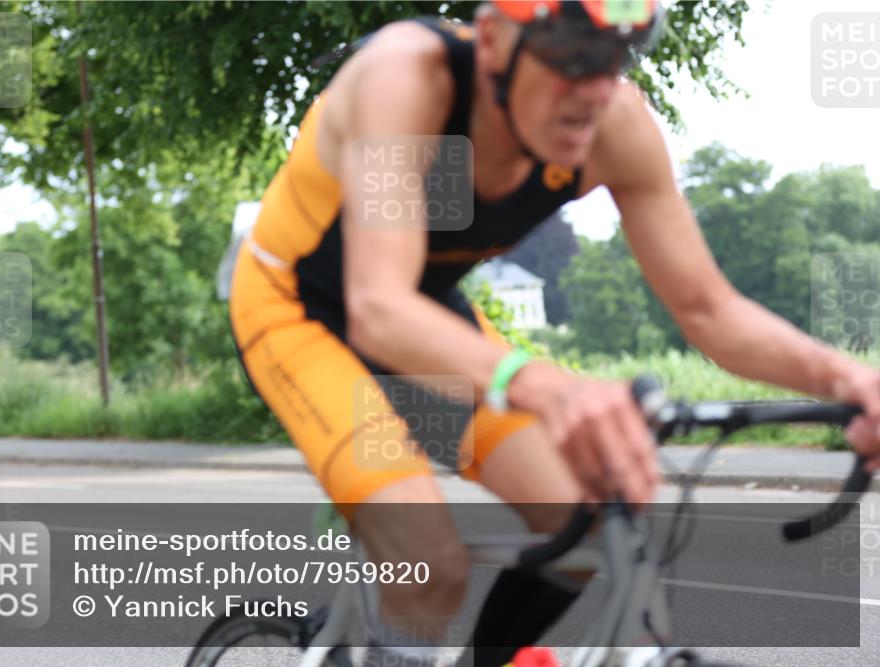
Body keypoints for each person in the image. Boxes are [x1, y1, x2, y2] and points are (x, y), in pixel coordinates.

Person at [228, 1, 880, 664]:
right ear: (491, 41)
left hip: (424, 315)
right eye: (572, 56)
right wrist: (551, 389)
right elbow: (379, 307)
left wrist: (850, 379)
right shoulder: (408, 79)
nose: (596, 89)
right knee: (427, 557)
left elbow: (707, 308)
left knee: (582, 515)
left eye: (616, 57)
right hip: (301, 310)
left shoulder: (616, 127)